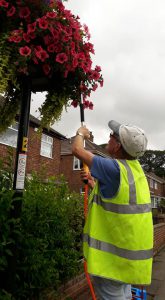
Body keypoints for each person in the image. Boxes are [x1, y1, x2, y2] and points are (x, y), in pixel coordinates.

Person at [72, 120, 153, 300]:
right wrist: (93, 184)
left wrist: (80, 133)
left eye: (111, 136)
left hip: (111, 262)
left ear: (117, 146)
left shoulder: (114, 168)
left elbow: (77, 150)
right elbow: (117, 199)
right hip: (126, 260)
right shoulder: (136, 171)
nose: (108, 138)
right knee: (124, 295)